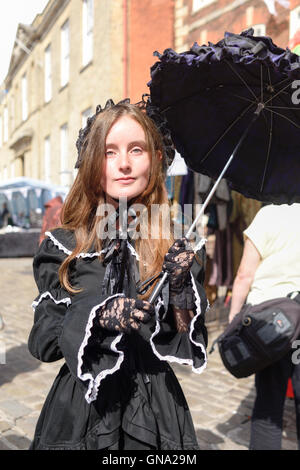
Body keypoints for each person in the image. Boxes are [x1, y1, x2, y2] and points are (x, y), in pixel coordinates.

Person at [28, 99, 208, 450]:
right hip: (83, 410)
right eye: (110, 152)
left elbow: (189, 339)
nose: (124, 163)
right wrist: (99, 316)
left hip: (156, 414)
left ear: (155, 160)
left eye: (136, 149)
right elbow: (43, 342)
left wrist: (180, 286)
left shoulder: (174, 245)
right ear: (93, 162)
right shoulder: (65, 246)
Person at [228, 203, 300, 450]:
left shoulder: (269, 214)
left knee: (268, 406)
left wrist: (234, 319)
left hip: (271, 325)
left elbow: (244, 276)